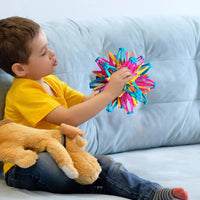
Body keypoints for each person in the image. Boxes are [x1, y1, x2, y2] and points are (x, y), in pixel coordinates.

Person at [0, 16, 188, 200]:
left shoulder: (51, 82)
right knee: (45, 163)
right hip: (23, 167)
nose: (52, 53)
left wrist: (114, 86)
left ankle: (152, 192)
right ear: (20, 69)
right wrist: (109, 93)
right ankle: (106, 184)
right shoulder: (24, 92)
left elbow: (85, 102)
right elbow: (69, 118)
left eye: (48, 46)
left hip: (62, 157)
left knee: (103, 164)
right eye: (43, 52)